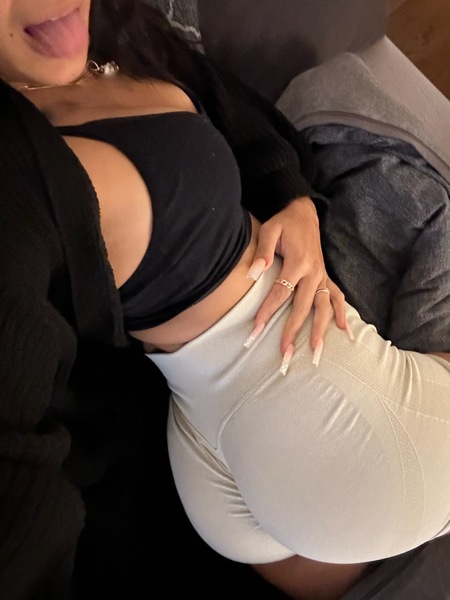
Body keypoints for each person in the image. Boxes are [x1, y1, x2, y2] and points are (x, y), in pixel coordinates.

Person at [1, 2, 450, 600]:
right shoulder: (14, 177)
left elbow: (238, 114)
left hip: (215, 455)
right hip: (313, 412)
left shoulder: (114, 27)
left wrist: (294, 200)